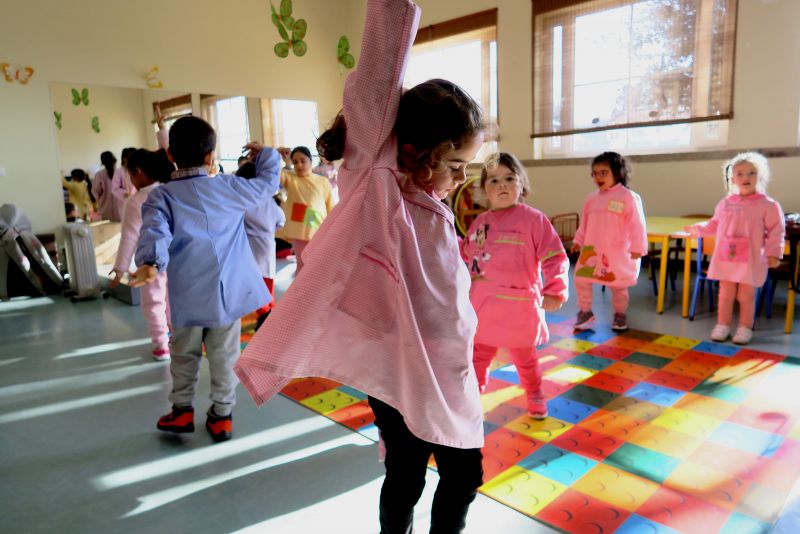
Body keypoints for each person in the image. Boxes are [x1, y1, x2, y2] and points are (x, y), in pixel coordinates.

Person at [235, 0, 486, 531]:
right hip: (398, 362)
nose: (461, 179)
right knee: (408, 474)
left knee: (463, 475)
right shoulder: (378, 181)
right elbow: (374, 80)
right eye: (455, 166)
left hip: (447, 365)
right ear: (414, 152)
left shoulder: (435, 204)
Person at [131, 116, 281, 442]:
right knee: (225, 356)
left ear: (170, 154)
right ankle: (222, 416)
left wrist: (150, 263)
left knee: (183, 353)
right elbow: (269, 183)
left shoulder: (162, 197)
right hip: (226, 298)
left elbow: (154, 230)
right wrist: (265, 153)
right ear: (212, 156)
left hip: (187, 294)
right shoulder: (229, 187)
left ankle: (181, 410)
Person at [461, 152, 569, 419]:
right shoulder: (480, 223)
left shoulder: (534, 220)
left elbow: (555, 256)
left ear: (522, 184)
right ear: (484, 189)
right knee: (477, 359)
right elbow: (465, 257)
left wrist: (555, 288)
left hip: (520, 308)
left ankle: (535, 394)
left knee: (527, 360)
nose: (503, 185)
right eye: (494, 180)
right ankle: (472, 399)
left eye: (510, 178)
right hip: (484, 308)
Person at [685, 152, 785, 345]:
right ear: (732, 179)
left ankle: (745, 327)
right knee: (726, 292)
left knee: (746, 295)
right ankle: (722, 325)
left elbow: (776, 231)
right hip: (727, 257)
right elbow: (714, 224)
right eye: (740, 173)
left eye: (751, 173)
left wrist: (774, 253)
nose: (746, 177)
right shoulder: (726, 203)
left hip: (752, 258)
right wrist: (698, 229)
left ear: (760, 176)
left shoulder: (768, 205)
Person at [570, 152, 647, 331]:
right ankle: (585, 311)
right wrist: (578, 240)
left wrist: (638, 247)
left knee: (618, 286)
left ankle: (619, 315)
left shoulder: (628, 197)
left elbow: (637, 224)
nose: (598, 177)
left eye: (603, 172)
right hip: (592, 250)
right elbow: (585, 223)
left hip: (616, 252)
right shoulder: (591, 199)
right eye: (595, 173)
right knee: (581, 278)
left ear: (617, 173)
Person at [110, 149, 174, 361]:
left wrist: (120, 268)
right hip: (175, 257)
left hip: (150, 263)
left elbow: (129, 237)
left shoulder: (136, 201)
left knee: (154, 302)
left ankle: (161, 344)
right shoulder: (169, 190)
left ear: (137, 172)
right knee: (173, 299)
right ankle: (175, 336)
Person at [236, 160, 286, 331]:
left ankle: (267, 316)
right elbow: (281, 220)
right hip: (267, 247)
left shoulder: (243, 202)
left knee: (254, 289)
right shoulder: (269, 201)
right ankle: (271, 316)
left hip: (251, 251)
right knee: (266, 285)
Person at [276, 145, 335, 273]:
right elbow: (274, 172)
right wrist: (276, 155)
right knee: (303, 265)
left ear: (310, 161)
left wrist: (332, 230)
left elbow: (331, 208)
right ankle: (301, 292)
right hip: (299, 231)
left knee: (319, 267)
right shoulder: (290, 178)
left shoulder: (323, 181)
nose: (299, 165)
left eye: (303, 161)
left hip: (319, 229)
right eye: (295, 162)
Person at [92, 151, 122, 221]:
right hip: (121, 211)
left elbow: (95, 192)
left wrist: (101, 197)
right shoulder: (121, 173)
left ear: (102, 163)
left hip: (105, 211)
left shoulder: (99, 175)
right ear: (115, 160)